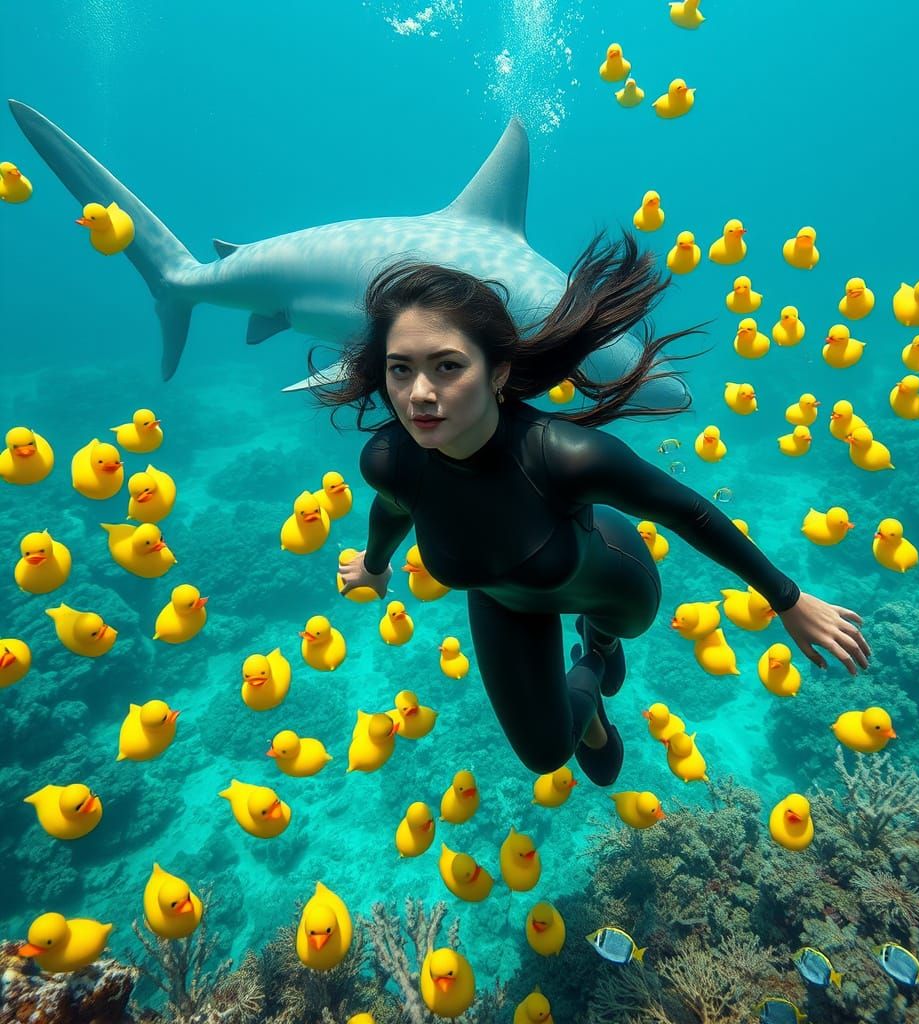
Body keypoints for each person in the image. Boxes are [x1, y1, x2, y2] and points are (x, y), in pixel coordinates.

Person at [318, 231, 871, 786]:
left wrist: (788, 600)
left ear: (499, 372)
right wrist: (374, 564)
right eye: (400, 369)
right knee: (544, 754)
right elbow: (394, 509)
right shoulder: (391, 460)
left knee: (623, 632)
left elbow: (689, 513)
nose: (418, 394)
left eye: (447, 367)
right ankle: (594, 696)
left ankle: (599, 646)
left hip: (609, 580)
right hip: (504, 598)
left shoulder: (566, 455)